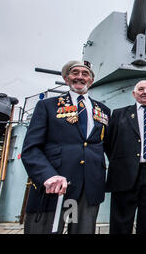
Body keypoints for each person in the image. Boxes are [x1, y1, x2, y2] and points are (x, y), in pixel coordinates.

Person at [21, 60, 111, 234]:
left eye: (85, 74)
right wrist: (47, 176)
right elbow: (31, 148)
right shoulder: (47, 106)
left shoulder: (103, 110)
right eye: (74, 73)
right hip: (55, 183)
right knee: (45, 230)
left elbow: (108, 146)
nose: (80, 77)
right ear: (66, 78)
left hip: (89, 185)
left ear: (91, 81)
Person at [106, 80, 146, 234]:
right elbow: (108, 143)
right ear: (134, 94)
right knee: (121, 221)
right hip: (124, 174)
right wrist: (123, 161)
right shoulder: (119, 114)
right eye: (141, 89)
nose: (145, 91)